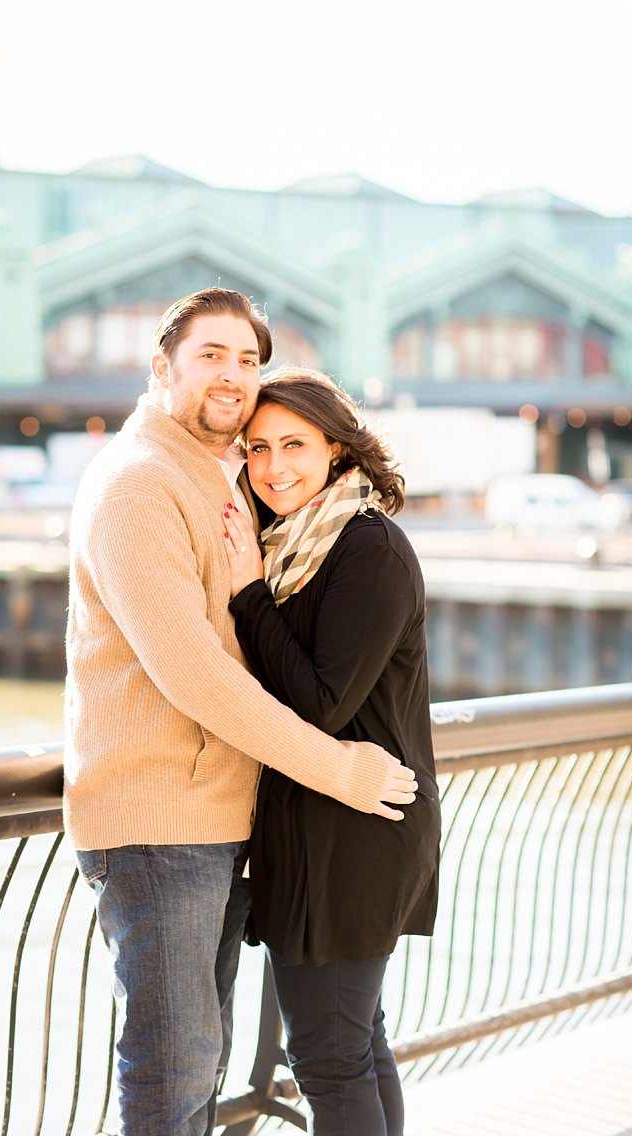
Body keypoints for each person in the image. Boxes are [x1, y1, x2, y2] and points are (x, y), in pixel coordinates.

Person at [65, 288, 418, 1136]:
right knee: (176, 1063)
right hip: (159, 825)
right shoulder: (139, 485)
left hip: (219, 822)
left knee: (205, 1060)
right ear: (162, 367)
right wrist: (339, 768)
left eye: (248, 359)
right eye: (211, 355)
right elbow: (195, 674)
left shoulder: (218, 484)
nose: (233, 374)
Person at [221, 368, 441, 1136]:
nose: (274, 466)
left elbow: (321, 703)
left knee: (326, 1057)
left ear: (338, 450)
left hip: (354, 831)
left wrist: (249, 595)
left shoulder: (364, 544)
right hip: (322, 825)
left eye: (294, 445)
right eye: (257, 448)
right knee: (354, 1044)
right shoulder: (294, 543)